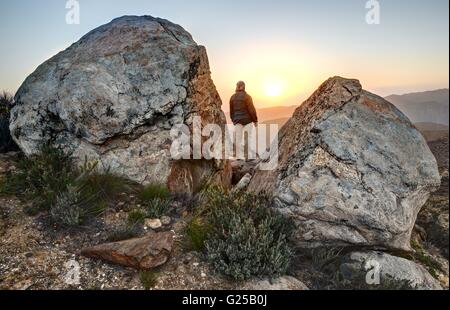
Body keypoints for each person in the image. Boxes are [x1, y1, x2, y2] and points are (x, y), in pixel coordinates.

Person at [230, 81, 258, 160]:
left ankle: (238, 157)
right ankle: (247, 157)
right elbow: (251, 109)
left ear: (239, 87)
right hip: (247, 121)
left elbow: (231, 111)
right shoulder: (247, 97)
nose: (236, 87)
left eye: (237, 86)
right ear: (243, 87)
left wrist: (234, 120)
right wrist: (255, 120)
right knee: (247, 139)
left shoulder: (232, 97)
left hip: (237, 121)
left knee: (237, 139)